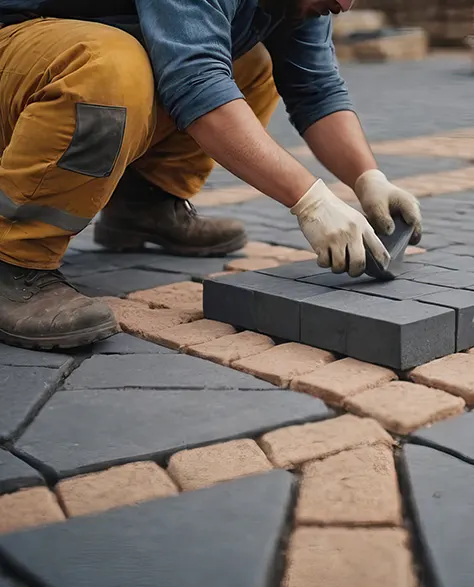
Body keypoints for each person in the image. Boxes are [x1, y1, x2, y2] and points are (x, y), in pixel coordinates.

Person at [0, 0, 422, 350]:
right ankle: (14, 262)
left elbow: (317, 89)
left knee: (249, 63)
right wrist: (309, 200)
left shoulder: (302, 4)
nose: (343, 5)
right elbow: (196, 79)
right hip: (17, 48)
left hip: (67, 57)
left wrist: (368, 178)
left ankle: (143, 204)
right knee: (108, 69)